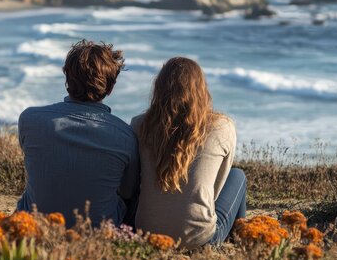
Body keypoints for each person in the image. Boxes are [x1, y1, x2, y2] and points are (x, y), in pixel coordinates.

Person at [16, 40, 139, 228]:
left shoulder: (30, 119)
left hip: (35, 225)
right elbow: (128, 191)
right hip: (97, 232)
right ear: (111, 87)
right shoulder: (125, 136)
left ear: (67, 77)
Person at [131, 57, 246, 249]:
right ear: (201, 89)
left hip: (147, 233)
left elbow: (133, 182)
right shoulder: (221, 127)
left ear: (159, 88)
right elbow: (215, 190)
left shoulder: (139, 124)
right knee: (238, 175)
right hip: (201, 239)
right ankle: (239, 239)